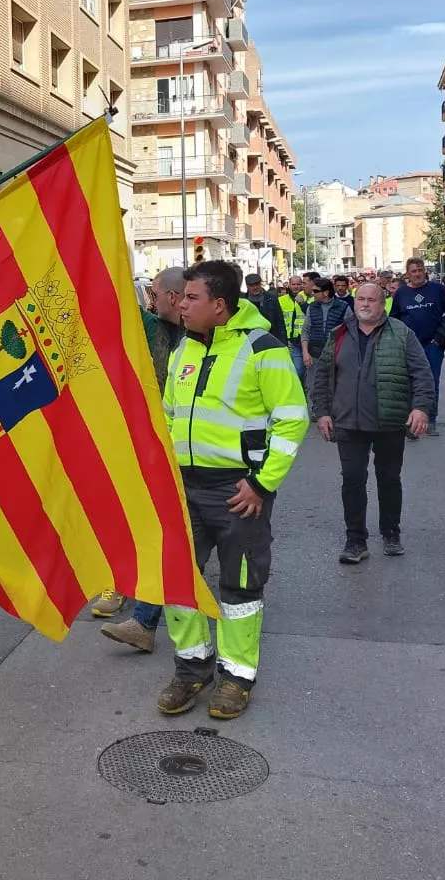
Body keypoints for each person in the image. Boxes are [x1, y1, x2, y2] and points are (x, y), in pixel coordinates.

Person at [156, 260, 308, 720]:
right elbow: (169, 414)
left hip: (239, 491)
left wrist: (262, 484)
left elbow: (291, 420)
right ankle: (192, 668)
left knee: (239, 588)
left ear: (219, 305)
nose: (181, 304)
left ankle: (236, 677)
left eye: (192, 298)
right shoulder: (185, 347)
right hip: (186, 486)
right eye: (181, 297)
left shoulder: (263, 348)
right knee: (178, 578)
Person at [308, 282, 435, 564]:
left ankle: (391, 532)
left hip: (388, 421)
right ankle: (356, 540)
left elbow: (422, 373)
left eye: (371, 300)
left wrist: (421, 408)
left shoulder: (402, 334)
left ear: (383, 304)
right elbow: (323, 377)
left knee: (389, 479)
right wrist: (323, 412)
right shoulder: (338, 334)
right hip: (349, 423)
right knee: (352, 480)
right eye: (360, 299)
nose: (365, 304)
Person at [95, 267, 187, 644]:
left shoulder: (207, 335)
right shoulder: (151, 325)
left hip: (192, 451)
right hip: (151, 438)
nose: (150, 298)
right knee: (143, 518)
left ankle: (146, 614)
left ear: (172, 296)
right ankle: (125, 592)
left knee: (169, 530)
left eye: (154, 292)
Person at [389, 256, 445, 436]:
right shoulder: (401, 294)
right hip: (408, 346)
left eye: (420, 270)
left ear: (424, 271)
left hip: (432, 346)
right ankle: (411, 422)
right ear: (408, 274)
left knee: (430, 383)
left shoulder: (438, 290)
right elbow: (393, 319)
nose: (418, 274)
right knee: (408, 383)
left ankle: (430, 420)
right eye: (414, 271)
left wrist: (441, 337)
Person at [301, 278, 345, 375]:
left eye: (315, 291)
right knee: (313, 388)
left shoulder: (343, 307)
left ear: (325, 293)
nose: (313, 293)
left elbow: (351, 332)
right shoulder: (312, 307)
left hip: (336, 357)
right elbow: (305, 331)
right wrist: (305, 353)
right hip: (315, 356)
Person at [242, 273, 287, 343]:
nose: (255, 287)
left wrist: (284, 343)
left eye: (257, 284)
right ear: (247, 286)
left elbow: (280, 322)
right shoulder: (243, 301)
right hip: (250, 341)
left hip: (271, 338)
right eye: (252, 285)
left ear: (260, 284)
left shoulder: (271, 298)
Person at [279, 279, 307, 383]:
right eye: (293, 284)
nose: (296, 286)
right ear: (289, 285)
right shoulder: (281, 300)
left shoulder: (308, 298)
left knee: (301, 370)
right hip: (287, 339)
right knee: (293, 369)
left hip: (303, 339)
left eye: (299, 284)